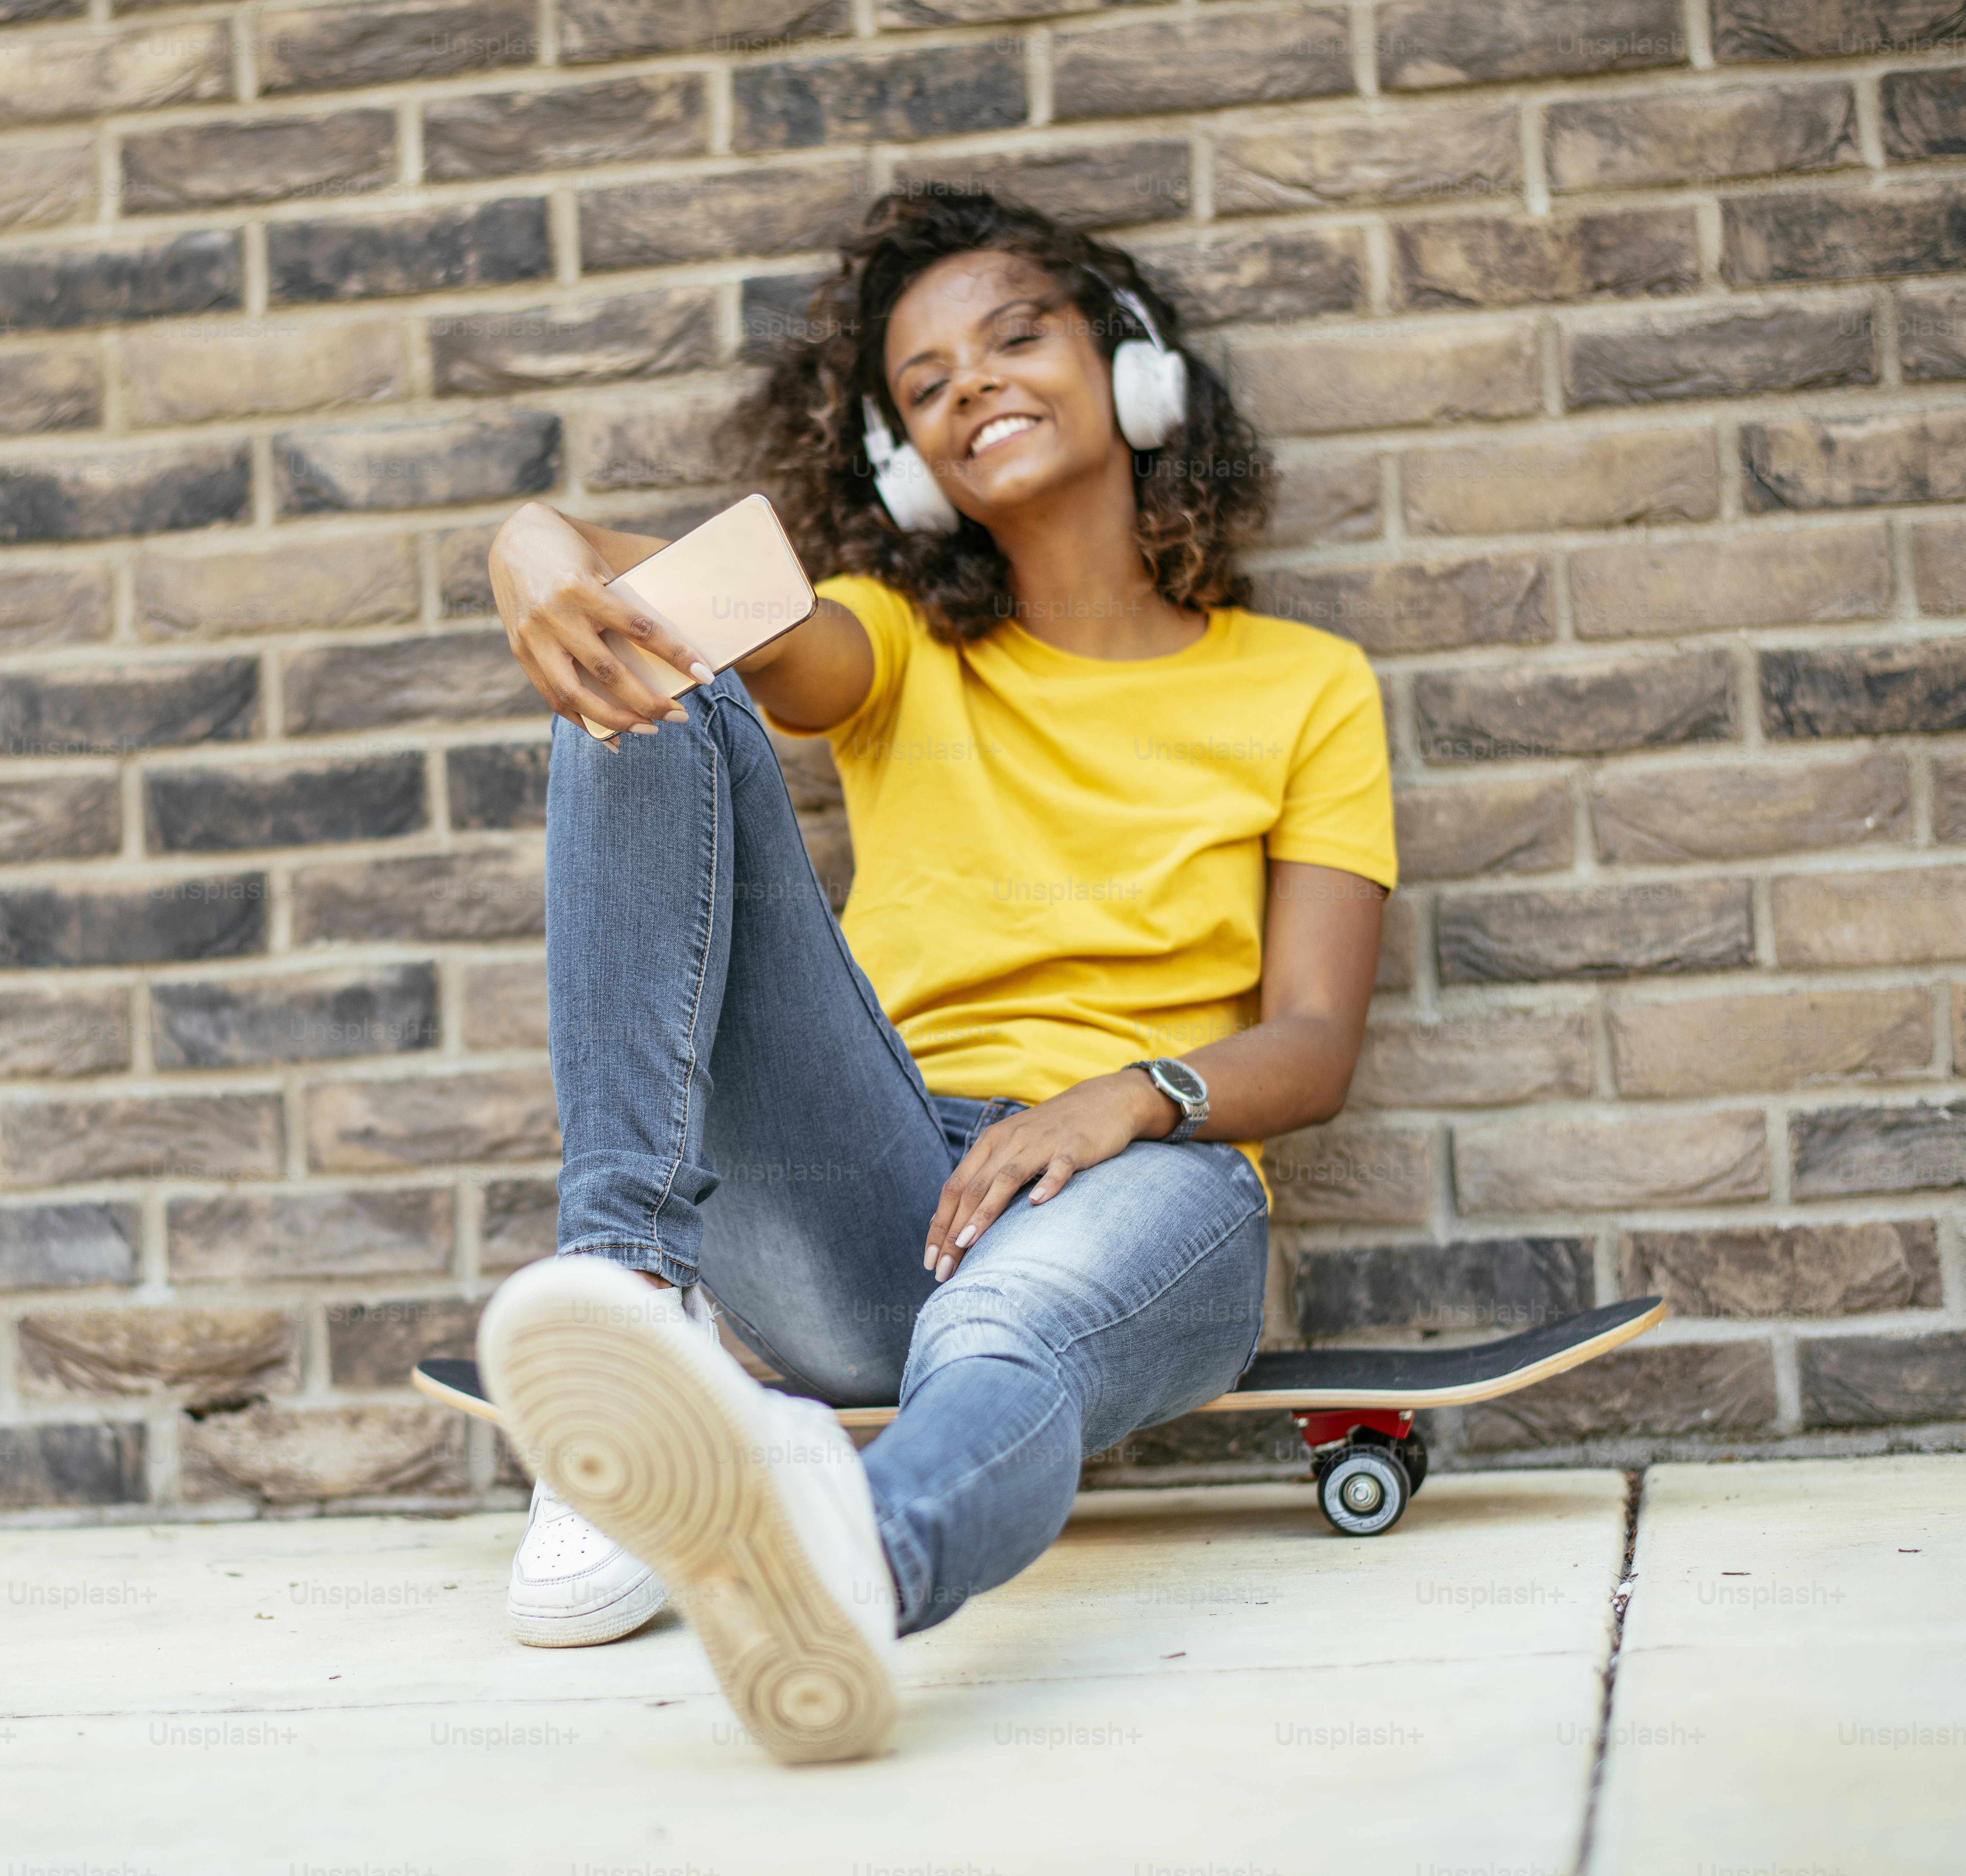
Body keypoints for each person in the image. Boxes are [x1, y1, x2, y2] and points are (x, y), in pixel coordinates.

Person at [475, 187, 1398, 1762]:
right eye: (926, 382)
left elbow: (1312, 1043)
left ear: (1134, 367)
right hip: (879, 1188)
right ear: (907, 460)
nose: (973, 383)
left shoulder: (1306, 686)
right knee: (655, 673)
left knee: (1004, 1335)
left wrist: (1129, 1095)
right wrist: (533, 545)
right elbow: (701, 605)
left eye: (1016, 337)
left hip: (1146, 1178)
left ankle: (841, 1572)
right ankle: (634, 1292)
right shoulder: (902, 646)